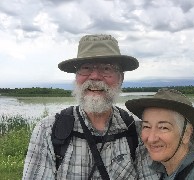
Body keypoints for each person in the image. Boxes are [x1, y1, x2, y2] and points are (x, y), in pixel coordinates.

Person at [22, 34, 156, 180]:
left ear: (121, 78)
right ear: (76, 77)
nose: (95, 76)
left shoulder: (137, 130)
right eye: (86, 68)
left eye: (107, 68)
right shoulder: (48, 130)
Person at [126, 88, 194, 179]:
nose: (151, 138)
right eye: (146, 126)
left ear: (186, 133)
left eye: (163, 127)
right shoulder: (161, 172)